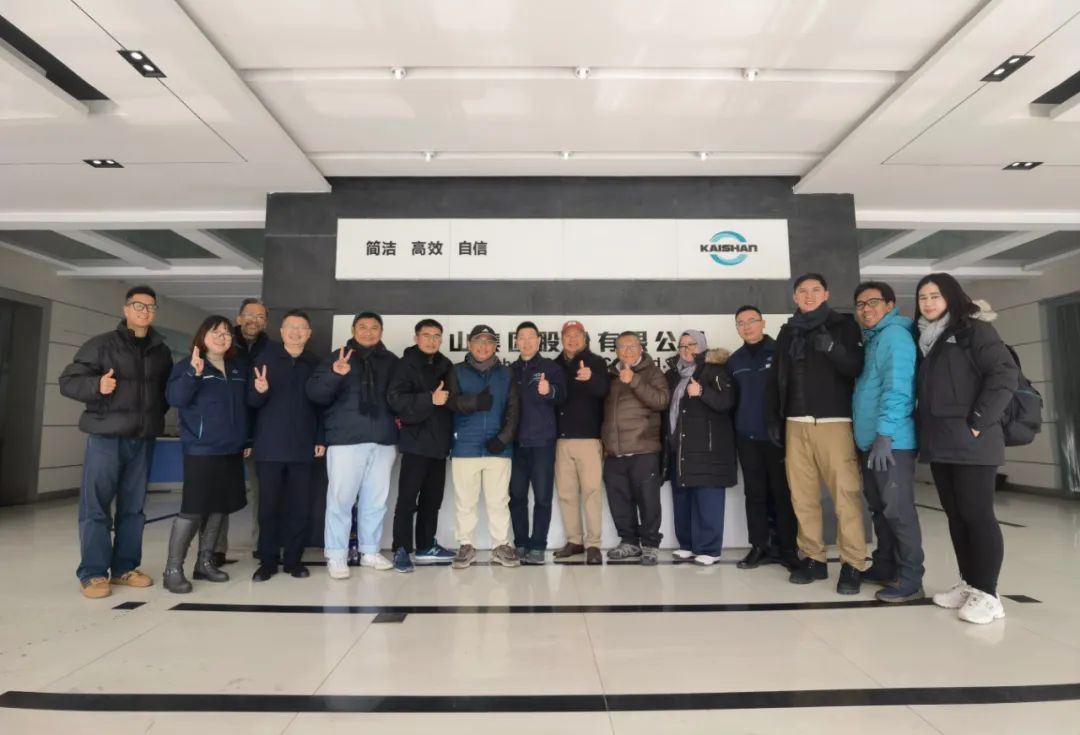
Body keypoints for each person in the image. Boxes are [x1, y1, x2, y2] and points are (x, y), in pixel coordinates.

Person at [58, 285, 173, 599]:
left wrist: (150, 418)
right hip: (106, 437)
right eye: (138, 306)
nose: (145, 312)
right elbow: (68, 381)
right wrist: (97, 385)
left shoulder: (161, 351)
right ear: (126, 309)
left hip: (142, 438)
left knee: (134, 508)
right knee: (96, 507)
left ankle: (124, 568)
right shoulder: (101, 345)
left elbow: (164, 395)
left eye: (150, 307)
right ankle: (93, 573)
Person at [915, 273, 1017, 624]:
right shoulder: (927, 338)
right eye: (923, 297)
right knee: (957, 516)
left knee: (977, 515)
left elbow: (1004, 375)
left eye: (935, 296)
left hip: (973, 441)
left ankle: (989, 594)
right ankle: (970, 583)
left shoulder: (975, 330)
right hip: (941, 441)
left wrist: (978, 421)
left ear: (952, 297)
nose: (928, 303)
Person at [768, 273, 867, 594]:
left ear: (826, 294)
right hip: (795, 423)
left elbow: (855, 367)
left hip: (833, 422)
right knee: (803, 496)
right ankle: (813, 558)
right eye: (802, 291)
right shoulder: (788, 332)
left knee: (845, 495)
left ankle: (853, 563)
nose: (808, 295)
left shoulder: (844, 326)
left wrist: (832, 348)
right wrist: (775, 417)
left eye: (815, 290)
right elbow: (777, 377)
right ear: (795, 297)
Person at [306, 311, 399, 579]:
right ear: (353, 330)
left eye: (374, 327)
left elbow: (400, 396)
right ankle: (336, 555)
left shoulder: (391, 361)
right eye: (363, 327)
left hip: (383, 440)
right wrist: (334, 374)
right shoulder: (338, 356)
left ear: (381, 331)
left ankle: (370, 551)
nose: (368, 332)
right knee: (340, 500)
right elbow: (315, 393)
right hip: (345, 440)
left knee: (376, 501)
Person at [162, 316, 250, 594]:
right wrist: (193, 373)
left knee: (219, 507)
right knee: (193, 509)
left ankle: (205, 562)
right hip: (202, 449)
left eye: (226, 333)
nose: (222, 337)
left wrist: (246, 438)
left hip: (231, 449)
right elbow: (175, 398)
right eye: (216, 332)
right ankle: (173, 569)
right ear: (203, 336)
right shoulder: (188, 365)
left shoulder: (236, 368)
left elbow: (244, 407)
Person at [852, 282, 925, 603]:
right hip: (872, 441)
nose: (866, 309)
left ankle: (911, 578)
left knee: (898, 510)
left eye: (873, 302)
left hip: (892, 442)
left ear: (890, 304)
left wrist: (885, 434)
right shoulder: (874, 339)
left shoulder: (895, 336)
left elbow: (898, 388)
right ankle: (885, 565)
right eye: (860, 304)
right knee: (880, 509)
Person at [246, 309, 325, 582]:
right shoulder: (264, 360)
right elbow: (251, 403)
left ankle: (293, 560)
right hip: (269, 446)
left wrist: (320, 438)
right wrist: (259, 390)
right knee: (268, 508)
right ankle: (267, 560)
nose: (296, 332)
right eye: (291, 327)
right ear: (281, 332)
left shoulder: (315, 363)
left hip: (303, 446)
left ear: (309, 333)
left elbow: (322, 406)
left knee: (299, 507)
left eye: (302, 328)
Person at [445, 324, 521, 569]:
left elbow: (513, 410)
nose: (483, 346)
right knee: (465, 502)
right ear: (469, 344)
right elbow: (450, 402)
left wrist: (503, 439)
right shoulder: (456, 371)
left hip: (497, 448)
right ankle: (466, 545)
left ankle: (500, 546)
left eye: (489, 342)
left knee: (499, 501)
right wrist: (475, 402)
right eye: (478, 341)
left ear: (495, 346)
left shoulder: (506, 373)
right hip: (465, 446)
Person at [728, 306, 798, 570]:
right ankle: (759, 546)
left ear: (763, 323)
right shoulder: (734, 361)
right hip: (747, 438)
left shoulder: (781, 352)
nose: (746, 326)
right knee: (754, 494)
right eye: (741, 323)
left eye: (751, 321)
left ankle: (788, 549)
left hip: (777, 437)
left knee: (782, 493)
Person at [386, 319, 456, 572]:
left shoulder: (446, 365)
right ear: (416, 338)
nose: (431, 340)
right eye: (426, 335)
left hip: (439, 444)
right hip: (415, 443)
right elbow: (395, 399)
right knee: (407, 500)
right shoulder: (404, 365)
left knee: (432, 500)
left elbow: (452, 401)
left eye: (436, 336)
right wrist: (429, 399)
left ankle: (426, 546)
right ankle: (401, 549)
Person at [663, 330, 737, 565]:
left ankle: (709, 549)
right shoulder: (673, 375)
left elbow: (727, 402)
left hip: (708, 449)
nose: (686, 350)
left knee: (708, 500)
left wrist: (702, 392)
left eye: (692, 344)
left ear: (703, 346)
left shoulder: (715, 370)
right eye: (682, 345)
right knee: (682, 499)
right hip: (680, 447)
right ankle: (687, 544)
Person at [601, 332, 670, 565]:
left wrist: (635, 381)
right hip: (614, 452)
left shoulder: (653, 373)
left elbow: (661, 401)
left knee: (648, 502)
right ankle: (629, 542)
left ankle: (650, 545)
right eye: (622, 347)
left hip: (643, 449)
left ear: (641, 348)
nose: (627, 351)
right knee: (619, 501)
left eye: (632, 346)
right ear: (616, 351)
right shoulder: (610, 375)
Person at [214, 297, 272, 565]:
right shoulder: (222, 345)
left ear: (266, 322)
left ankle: (262, 544)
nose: (254, 320)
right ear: (238, 318)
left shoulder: (272, 351)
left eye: (260, 317)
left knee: (263, 492)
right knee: (220, 492)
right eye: (249, 315)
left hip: (260, 435)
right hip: (225, 432)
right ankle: (215, 548)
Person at [509, 321, 567, 564]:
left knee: (542, 497)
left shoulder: (550, 368)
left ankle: (538, 545)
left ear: (539, 340)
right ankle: (521, 543)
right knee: (517, 497)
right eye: (521, 337)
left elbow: (562, 395)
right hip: (515, 444)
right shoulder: (510, 370)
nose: (526, 342)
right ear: (516, 342)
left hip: (542, 442)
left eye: (531, 337)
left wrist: (549, 390)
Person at [552, 320, 609, 565]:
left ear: (585, 338)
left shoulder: (596, 362)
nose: (572, 339)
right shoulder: (553, 365)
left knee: (591, 493)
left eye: (577, 335)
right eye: (568, 335)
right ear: (561, 338)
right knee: (566, 494)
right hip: (561, 440)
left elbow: (604, 390)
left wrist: (590, 378)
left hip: (589, 439)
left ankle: (594, 544)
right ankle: (574, 541)